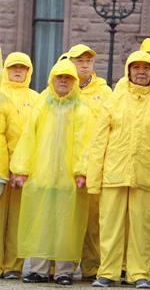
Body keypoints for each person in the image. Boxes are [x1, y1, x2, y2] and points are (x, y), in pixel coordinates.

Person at [87, 51, 150, 289]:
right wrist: (95, 178)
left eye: (146, 68)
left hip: (145, 177)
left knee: (142, 229)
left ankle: (139, 273)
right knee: (110, 226)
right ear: (129, 71)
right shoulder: (113, 102)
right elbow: (98, 143)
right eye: (137, 68)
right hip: (114, 175)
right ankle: (108, 272)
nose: (141, 72)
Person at [10, 59, 91, 285]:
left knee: (67, 224)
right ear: (52, 79)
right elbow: (28, 138)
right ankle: (38, 269)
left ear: (74, 82)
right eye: (60, 77)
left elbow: (85, 142)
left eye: (68, 78)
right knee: (40, 222)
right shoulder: (41, 105)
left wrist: (82, 171)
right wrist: (21, 169)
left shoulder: (82, 109)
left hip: (69, 181)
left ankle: (64, 271)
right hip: (41, 176)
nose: (63, 81)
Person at [67, 44, 112, 281]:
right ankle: (63, 266)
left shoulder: (104, 92)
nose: (85, 65)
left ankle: (92, 268)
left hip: (95, 164)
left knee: (95, 222)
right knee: (67, 218)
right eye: (80, 61)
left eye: (88, 61)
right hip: (67, 165)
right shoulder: (62, 87)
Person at [0, 52, 39, 280]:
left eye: (22, 68)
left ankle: (13, 266)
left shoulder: (36, 98)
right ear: (6, 69)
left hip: (25, 172)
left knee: (18, 221)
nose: (18, 71)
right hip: (4, 171)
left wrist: (24, 168)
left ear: (29, 71)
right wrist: (6, 170)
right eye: (14, 67)